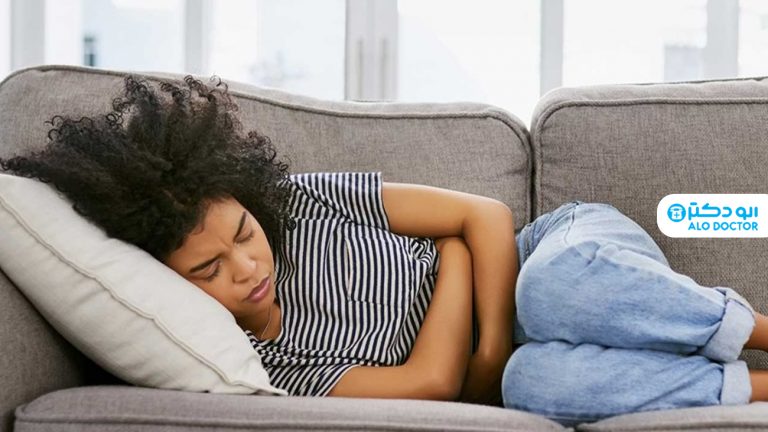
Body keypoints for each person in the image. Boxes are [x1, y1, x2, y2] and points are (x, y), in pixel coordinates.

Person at [1, 75, 767, 426]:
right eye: (208, 270)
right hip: (530, 352)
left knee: (549, 293)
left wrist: (484, 351)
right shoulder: (266, 365)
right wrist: (455, 260)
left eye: (243, 235)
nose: (248, 267)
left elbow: (486, 218)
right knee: (538, 385)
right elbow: (429, 385)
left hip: (559, 256)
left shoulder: (302, 202)